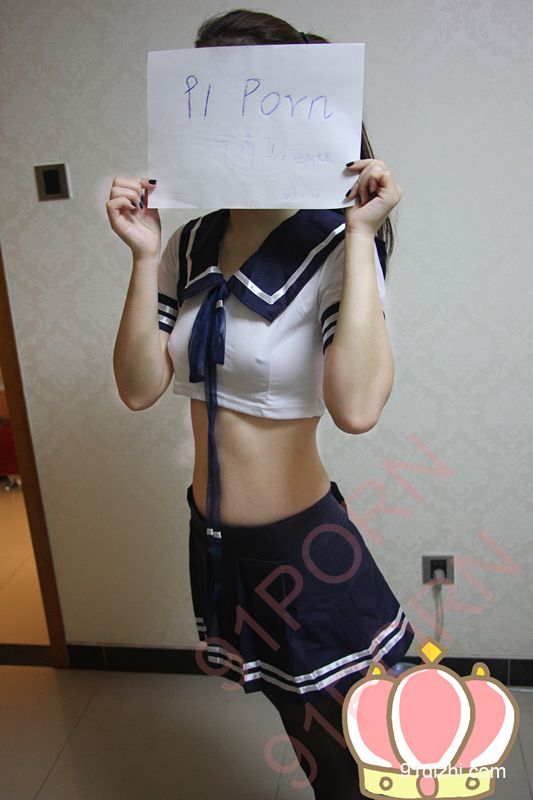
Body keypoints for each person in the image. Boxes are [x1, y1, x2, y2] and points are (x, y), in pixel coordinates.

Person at [107, 9, 415, 799]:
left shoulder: (332, 241)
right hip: (215, 540)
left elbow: (356, 408)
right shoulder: (191, 241)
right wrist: (142, 256)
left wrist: (359, 236)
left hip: (300, 549)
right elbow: (139, 387)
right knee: (303, 734)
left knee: (357, 756)